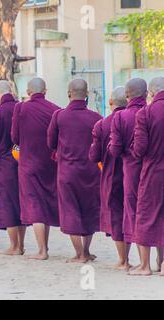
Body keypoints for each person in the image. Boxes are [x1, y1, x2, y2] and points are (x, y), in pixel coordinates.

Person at [47, 79, 102, 263]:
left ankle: (79, 254)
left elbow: (51, 143)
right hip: (90, 172)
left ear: (69, 93)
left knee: (70, 210)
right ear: (86, 94)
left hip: (67, 171)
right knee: (89, 209)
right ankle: (86, 251)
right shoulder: (96, 117)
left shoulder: (59, 116)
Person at [11, 77, 60, 260]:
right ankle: (44, 246)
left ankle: (42, 250)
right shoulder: (55, 110)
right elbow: (56, 138)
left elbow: (15, 137)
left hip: (29, 163)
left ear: (28, 92)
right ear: (45, 91)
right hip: (49, 163)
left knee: (35, 204)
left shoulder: (21, 108)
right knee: (45, 202)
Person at [89, 87, 129, 270]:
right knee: (133, 214)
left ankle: (123, 259)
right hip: (134, 175)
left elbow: (94, 155)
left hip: (111, 176)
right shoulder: (136, 118)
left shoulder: (102, 124)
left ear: (111, 103)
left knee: (116, 216)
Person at [130, 76, 164, 276]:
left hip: (153, 172)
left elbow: (140, 149)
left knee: (146, 216)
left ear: (150, 93)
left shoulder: (146, 113)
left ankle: (145, 265)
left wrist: (134, 150)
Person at [109, 78, 147, 249]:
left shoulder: (121, 117)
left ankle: (142, 261)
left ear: (126, 96)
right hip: (152, 168)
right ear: (146, 94)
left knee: (133, 211)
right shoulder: (151, 112)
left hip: (130, 170)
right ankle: (160, 261)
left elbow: (115, 150)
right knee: (156, 212)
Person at [0, 80, 24, 255]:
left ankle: (14, 246)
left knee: (8, 205)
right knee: (21, 203)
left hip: (4, 164)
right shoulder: (22, 108)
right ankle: (22, 245)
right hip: (23, 163)